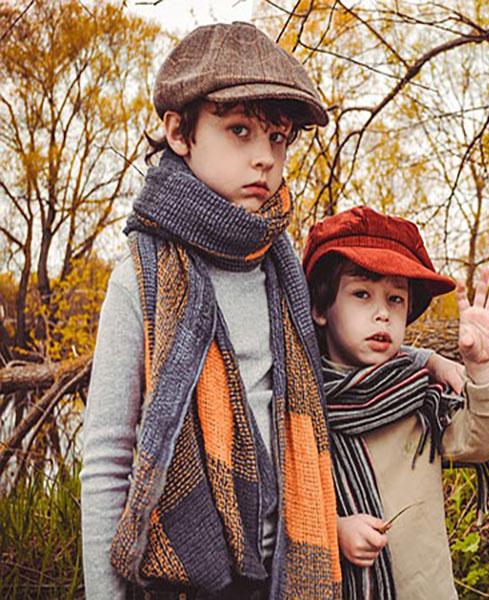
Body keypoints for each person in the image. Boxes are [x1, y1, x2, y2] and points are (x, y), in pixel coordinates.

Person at [79, 22, 345, 599]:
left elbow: (335, 366)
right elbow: (107, 460)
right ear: (180, 132)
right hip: (184, 580)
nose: (264, 159)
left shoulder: (279, 268)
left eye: (277, 138)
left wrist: (430, 359)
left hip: (283, 571)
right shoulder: (140, 280)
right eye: (239, 130)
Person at [302, 206, 489, 599]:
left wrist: (480, 368)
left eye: (396, 299)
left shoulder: (419, 395)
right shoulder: (298, 403)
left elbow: (484, 441)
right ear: (319, 308)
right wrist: (333, 528)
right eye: (361, 294)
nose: (382, 312)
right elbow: (277, 501)